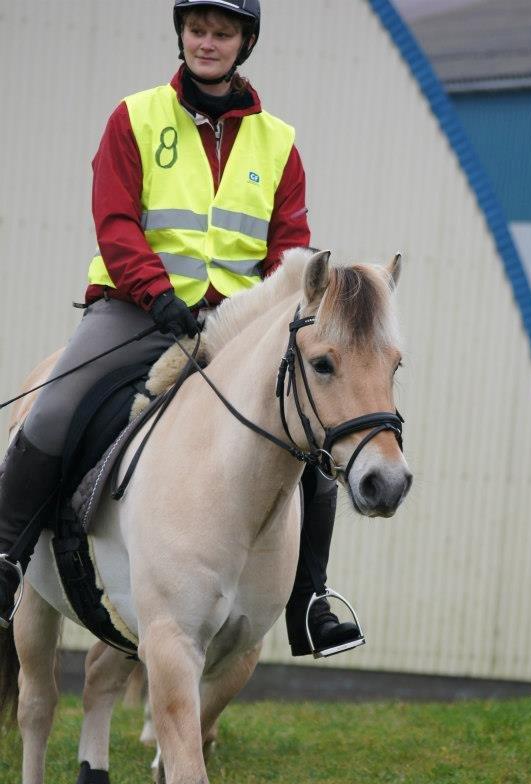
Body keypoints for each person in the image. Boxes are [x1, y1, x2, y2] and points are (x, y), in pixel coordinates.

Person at [0, 0, 362, 658]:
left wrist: (257, 316)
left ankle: (311, 601)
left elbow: (291, 250)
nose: (208, 42)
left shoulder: (277, 142)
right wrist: (158, 294)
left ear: (244, 42)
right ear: (182, 33)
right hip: (137, 309)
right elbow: (115, 222)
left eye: (222, 32)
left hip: (235, 328)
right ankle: (4, 560)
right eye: (198, 29)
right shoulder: (134, 117)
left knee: (316, 437)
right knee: (52, 411)